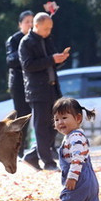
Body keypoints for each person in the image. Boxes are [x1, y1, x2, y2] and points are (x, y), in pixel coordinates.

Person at [19, 12, 70, 171]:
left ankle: (32, 156)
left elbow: (51, 63)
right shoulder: (26, 43)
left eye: (50, 28)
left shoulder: (47, 40)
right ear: (36, 25)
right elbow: (28, 65)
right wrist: (52, 59)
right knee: (41, 126)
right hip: (37, 90)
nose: (49, 31)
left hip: (52, 87)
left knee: (54, 125)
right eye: (46, 28)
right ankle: (48, 162)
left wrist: (59, 59)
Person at [53, 98, 100, 201]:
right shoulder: (75, 135)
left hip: (80, 179)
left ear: (78, 118)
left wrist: (72, 177)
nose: (60, 122)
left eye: (64, 118)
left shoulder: (75, 137)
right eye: (56, 119)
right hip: (89, 181)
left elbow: (77, 158)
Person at [5, 11, 34, 156]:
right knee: (22, 116)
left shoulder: (37, 39)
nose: (30, 24)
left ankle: (33, 149)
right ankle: (18, 150)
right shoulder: (14, 40)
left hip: (34, 82)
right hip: (18, 83)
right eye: (27, 21)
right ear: (20, 24)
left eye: (32, 21)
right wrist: (25, 54)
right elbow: (10, 60)